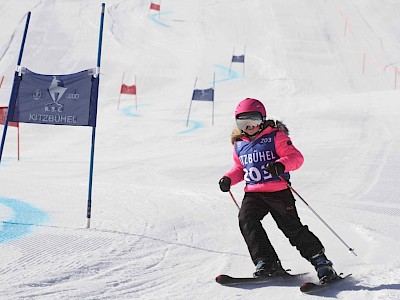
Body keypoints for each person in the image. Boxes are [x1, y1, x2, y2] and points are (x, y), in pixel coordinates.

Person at [219, 98, 337, 283]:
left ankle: (322, 263)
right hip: (254, 192)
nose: (249, 126)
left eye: (254, 120)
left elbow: (296, 157)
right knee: (247, 220)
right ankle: (267, 262)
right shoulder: (239, 144)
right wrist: (228, 178)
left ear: (263, 119)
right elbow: (240, 169)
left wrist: (280, 166)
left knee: (291, 228)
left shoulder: (275, 136)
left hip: (278, 191)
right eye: (243, 122)